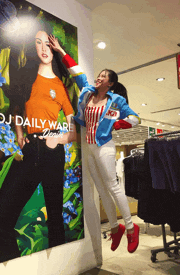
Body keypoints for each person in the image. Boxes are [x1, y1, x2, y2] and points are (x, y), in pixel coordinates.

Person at [0, 29, 77, 265]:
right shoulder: (26, 78)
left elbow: (73, 132)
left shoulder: (60, 86)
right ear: (33, 47)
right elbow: (17, 111)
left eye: (48, 44)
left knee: (55, 218)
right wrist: (19, 134)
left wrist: (58, 139)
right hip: (29, 150)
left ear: (54, 49)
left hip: (52, 150)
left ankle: (59, 267)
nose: (44, 48)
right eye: (39, 43)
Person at [49, 34, 141, 253]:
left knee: (112, 186)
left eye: (103, 77)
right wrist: (61, 50)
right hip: (89, 147)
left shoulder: (116, 100)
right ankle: (114, 227)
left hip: (105, 147)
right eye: (98, 75)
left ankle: (130, 228)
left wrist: (118, 124)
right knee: (100, 189)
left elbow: (135, 119)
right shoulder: (88, 92)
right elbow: (76, 71)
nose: (98, 78)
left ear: (110, 83)